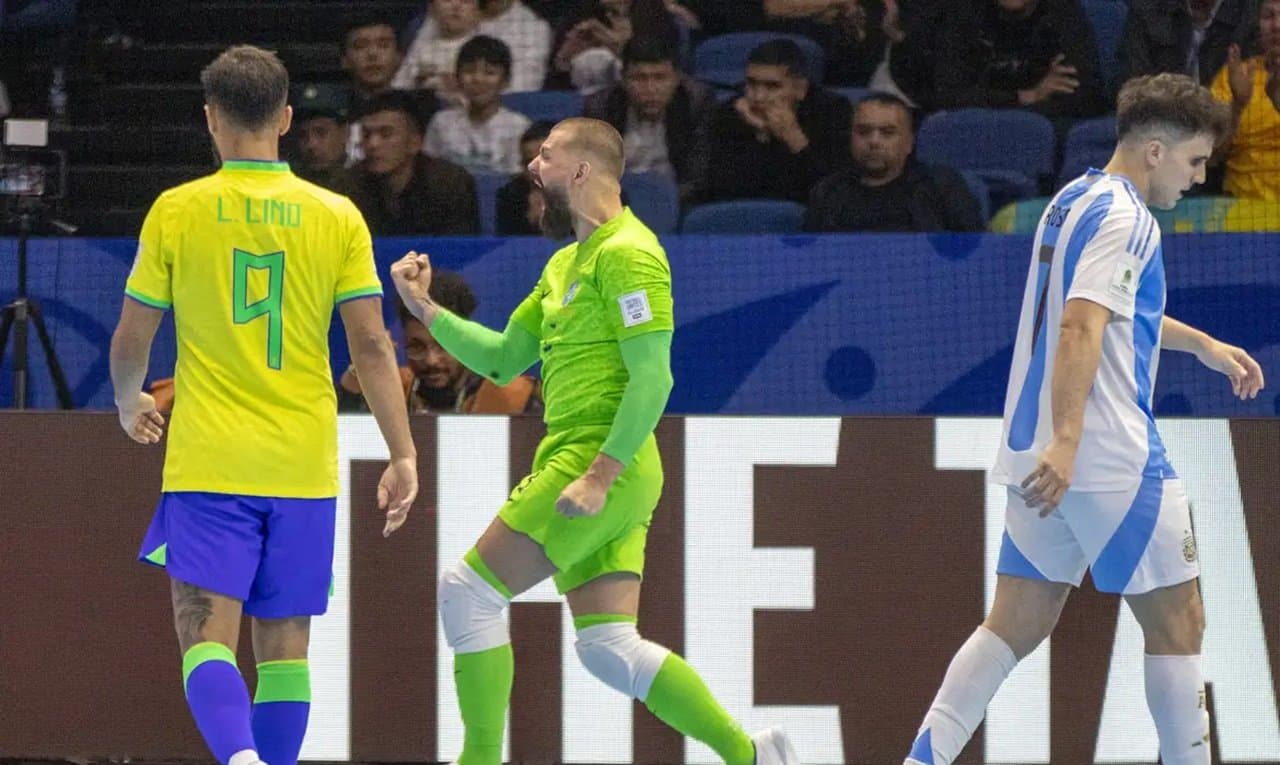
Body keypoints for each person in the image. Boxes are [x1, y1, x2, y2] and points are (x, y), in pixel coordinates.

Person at [390, 117, 800, 765]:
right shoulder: (563, 263)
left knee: (467, 590)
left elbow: (653, 375)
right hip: (592, 461)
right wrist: (426, 311)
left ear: (581, 170)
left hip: (602, 457)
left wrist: (601, 473)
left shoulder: (629, 253)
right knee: (608, 645)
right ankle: (752, 754)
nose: (531, 167)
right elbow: (500, 359)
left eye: (546, 156)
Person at [903, 73, 1265, 765]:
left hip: (1036, 449)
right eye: (1195, 162)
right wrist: (1071, 442)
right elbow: (1079, 325)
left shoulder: (1071, 199)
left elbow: (1109, 310)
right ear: (1155, 150)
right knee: (1180, 623)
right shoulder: (1129, 218)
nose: (1198, 179)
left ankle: (921, 760)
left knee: (1014, 623)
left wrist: (1203, 345)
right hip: (1106, 455)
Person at [108, 45, 418, 765]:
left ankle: (240, 759)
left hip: (210, 460)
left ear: (211, 119)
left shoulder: (178, 210)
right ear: (284, 118)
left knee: (204, 636)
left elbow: (132, 337)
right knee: (285, 653)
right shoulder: (337, 215)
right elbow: (371, 347)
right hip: (303, 464)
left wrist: (129, 403)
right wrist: (403, 452)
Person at [337, 270, 543, 414]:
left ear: (464, 338)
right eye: (417, 347)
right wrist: (363, 367)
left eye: (444, 346)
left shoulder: (517, 396)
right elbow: (339, 423)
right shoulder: (394, 388)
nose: (432, 360)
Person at [700, 38, 852, 204]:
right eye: (751, 84)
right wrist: (762, 135)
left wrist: (794, 138)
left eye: (772, 86)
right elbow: (722, 189)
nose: (758, 97)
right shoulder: (729, 113)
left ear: (800, 89)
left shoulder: (832, 111)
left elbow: (833, 192)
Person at [805, 92, 984, 232]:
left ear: (909, 143)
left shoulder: (941, 187)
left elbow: (975, 253)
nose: (874, 141)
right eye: (863, 131)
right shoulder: (827, 192)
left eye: (888, 132)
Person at [901, 0, 1107, 118]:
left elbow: (1085, 98)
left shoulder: (1064, 14)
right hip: (975, 124)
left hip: (1046, 124)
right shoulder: (961, 13)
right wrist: (1025, 96)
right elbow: (948, 96)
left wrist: (1013, 106)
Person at [584, 35, 716, 202]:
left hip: (678, 201)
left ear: (676, 79)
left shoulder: (695, 103)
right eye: (639, 78)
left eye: (660, 78)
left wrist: (664, 201)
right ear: (623, 80)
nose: (650, 89)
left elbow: (697, 176)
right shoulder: (601, 108)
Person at [349, 90, 481, 235]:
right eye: (366, 134)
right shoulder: (347, 186)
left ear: (415, 142)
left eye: (386, 134)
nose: (373, 144)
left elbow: (462, 249)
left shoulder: (451, 183)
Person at [424, 35, 532, 174]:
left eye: (489, 73)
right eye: (469, 71)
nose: (478, 79)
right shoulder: (441, 123)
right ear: (457, 78)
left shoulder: (518, 127)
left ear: (505, 81)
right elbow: (428, 174)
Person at [1210, 0, 1280, 199]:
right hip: (1242, 209)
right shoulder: (1234, 76)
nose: (1277, 25)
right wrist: (1237, 107)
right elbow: (1211, 157)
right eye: (1269, 17)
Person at [1119, 0, 1258, 86]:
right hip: (1161, 118)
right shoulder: (1147, 9)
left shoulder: (1252, 16)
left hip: (1227, 119)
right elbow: (1132, 83)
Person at [393, 0, 482, 101]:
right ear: (432, 8)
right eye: (447, 0)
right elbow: (398, 92)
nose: (456, 6)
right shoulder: (420, 50)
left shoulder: (485, 51)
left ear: (478, 12)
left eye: (465, 1)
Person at [291, 82, 355, 193]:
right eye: (303, 135)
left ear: (345, 133)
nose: (311, 144)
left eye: (321, 133)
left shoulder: (363, 184)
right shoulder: (293, 184)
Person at [496, 120, 554, 234]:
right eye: (529, 162)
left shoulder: (588, 194)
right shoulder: (510, 195)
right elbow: (509, 245)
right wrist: (531, 223)